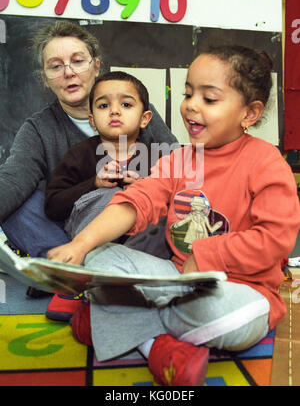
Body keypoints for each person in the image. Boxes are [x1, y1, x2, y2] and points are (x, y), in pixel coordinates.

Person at [47, 44, 300, 386]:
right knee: (99, 256)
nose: (191, 106)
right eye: (188, 93)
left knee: (234, 320)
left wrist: (206, 255)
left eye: (209, 99)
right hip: (174, 277)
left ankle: (112, 319)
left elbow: (273, 241)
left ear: (249, 114)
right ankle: (157, 348)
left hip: (239, 291)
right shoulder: (178, 159)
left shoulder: (269, 164)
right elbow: (134, 202)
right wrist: (79, 245)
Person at [0, 20, 177, 259]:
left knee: (171, 202)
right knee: (22, 205)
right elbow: (12, 182)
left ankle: (84, 272)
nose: (68, 72)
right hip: (66, 230)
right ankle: (73, 268)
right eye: (55, 66)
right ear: (45, 79)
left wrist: (144, 188)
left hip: (132, 228)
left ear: (96, 67)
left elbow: (178, 166)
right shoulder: (38, 129)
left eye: (78, 61)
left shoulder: (138, 111)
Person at [45, 70, 153, 239]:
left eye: (126, 105)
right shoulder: (79, 154)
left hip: (137, 243)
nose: (114, 111)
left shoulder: (157, 158)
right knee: (111, 197)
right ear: (93, 121)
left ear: (144, 119)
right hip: (88, 237)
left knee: (151, 208)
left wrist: (143, 191)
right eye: (104, 106)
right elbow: (53, 206)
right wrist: (94, 183)